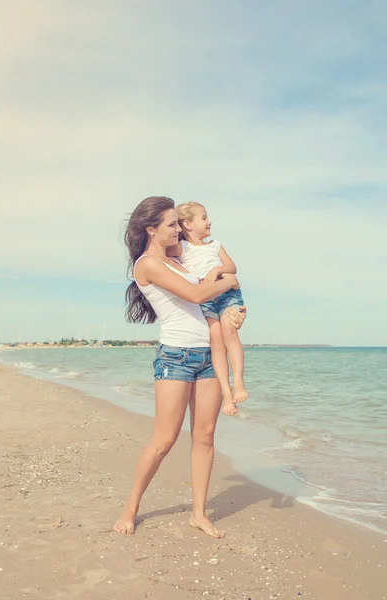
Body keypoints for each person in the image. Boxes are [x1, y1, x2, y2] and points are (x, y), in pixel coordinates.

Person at [114, 196, 246, 539]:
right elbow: (196, 296)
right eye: (172, 224)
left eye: (178, 222)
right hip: (176, 356)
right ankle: (130, 508)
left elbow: (206, 290)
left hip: (208, 356)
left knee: (204, 437)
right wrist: (230, 282)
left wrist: (232, 314)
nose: (179, 229)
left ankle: (199, 514)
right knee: (164, 439)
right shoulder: (147, 264)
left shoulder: (177, 258)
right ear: (151, 229)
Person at [167, 201, 247, 416]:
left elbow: (232, 268)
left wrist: (217, 270)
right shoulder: (181, 248)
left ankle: (238, 381)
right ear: (188, 224)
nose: (209, 221)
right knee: (216, 340)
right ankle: (226, 394)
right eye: (203, 217)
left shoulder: (215, 245)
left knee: (230, 331)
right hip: (206, 298)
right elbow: (161, 248)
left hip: (228, 294)